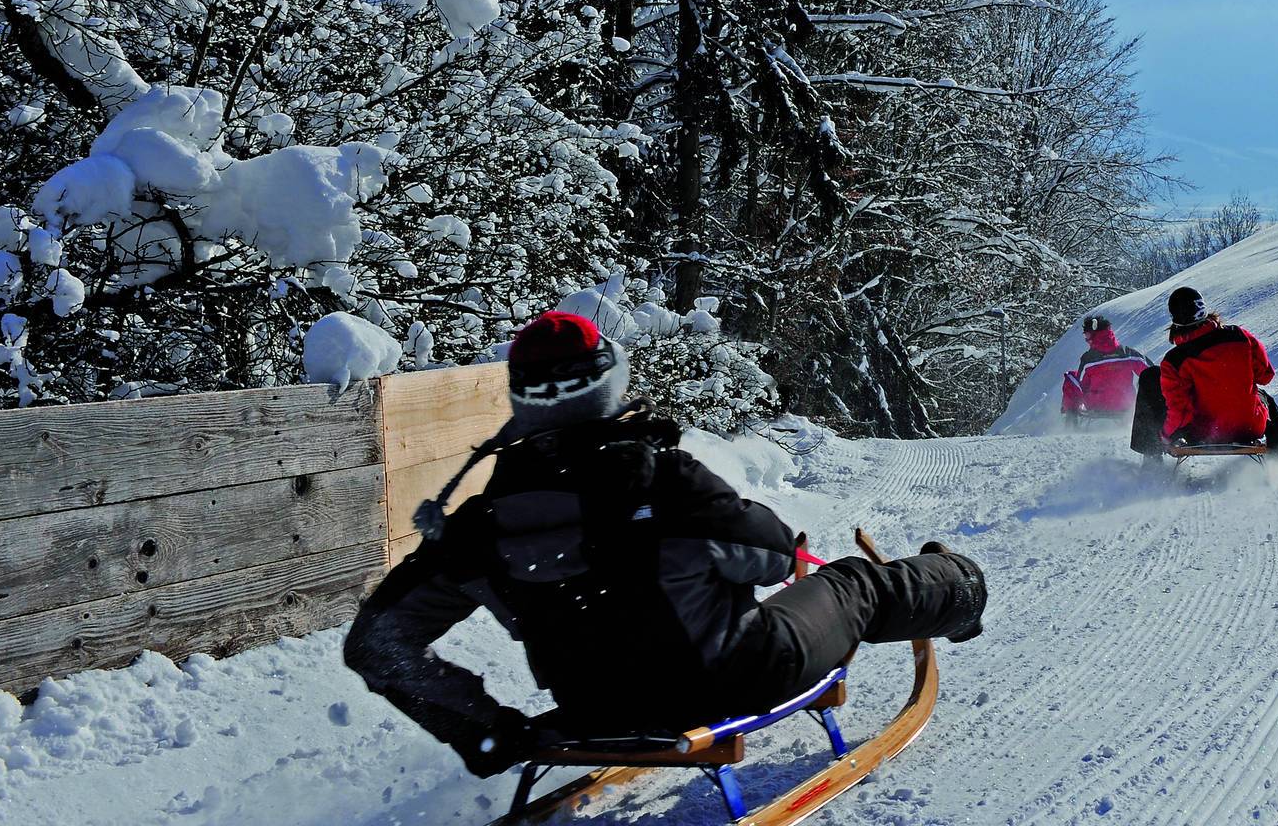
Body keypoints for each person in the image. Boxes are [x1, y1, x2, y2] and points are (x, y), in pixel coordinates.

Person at [343, 310, 986, 777]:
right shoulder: (663, 479)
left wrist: (490, 733)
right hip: (735, 682)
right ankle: (959, 587)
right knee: (851, 584)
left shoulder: (480, 524)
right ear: (607, 385)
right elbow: (776, 555)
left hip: (594, 712)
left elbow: (377, 643)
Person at [1135, 286, 1278, 461]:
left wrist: (1165, 436)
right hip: (1250, 427)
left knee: (1150, 377)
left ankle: (1151, 459)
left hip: (1203, 433)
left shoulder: (1175, 360)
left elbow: (1179, 409)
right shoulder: (1240, 336)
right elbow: (1265, 376)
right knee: (1264, 398)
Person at [1060, 316, 1150, 428]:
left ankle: (1071, 420)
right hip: (1125, 405)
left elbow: (1081, 385)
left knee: (1071, 377)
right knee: (1149, 379)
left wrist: (1070, 405)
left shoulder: (1088, 358)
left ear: (1094, 334)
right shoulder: (1127, 353)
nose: (1086, 340)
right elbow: (1151, 372)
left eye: (1087, 336)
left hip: (1096, 405)